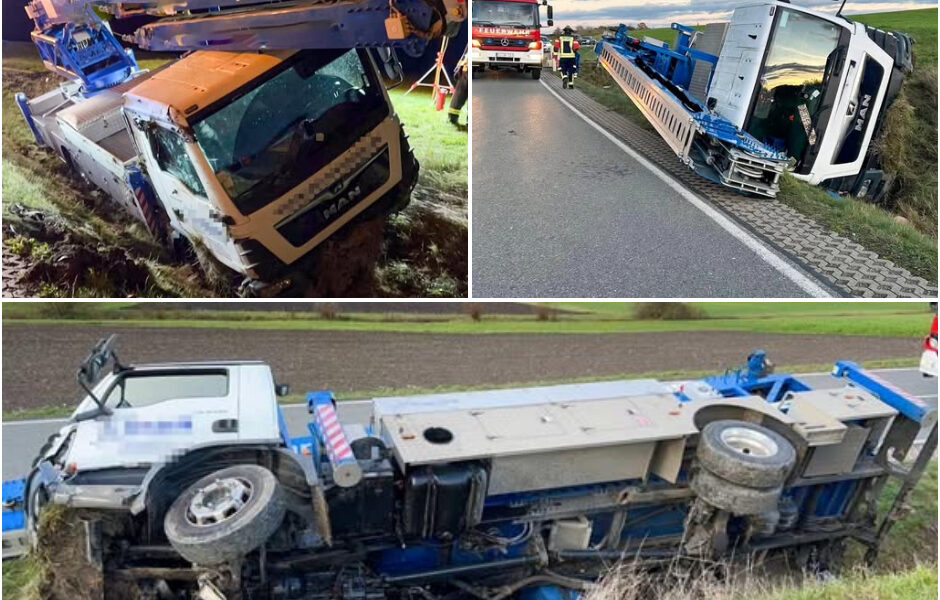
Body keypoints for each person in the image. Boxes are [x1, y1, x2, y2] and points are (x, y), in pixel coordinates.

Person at [448, 52, 468, 129]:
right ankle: (452, 119)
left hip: (466, 69)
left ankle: (452, 118)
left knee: (459, 96)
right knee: (460, 96)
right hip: (467, 69)